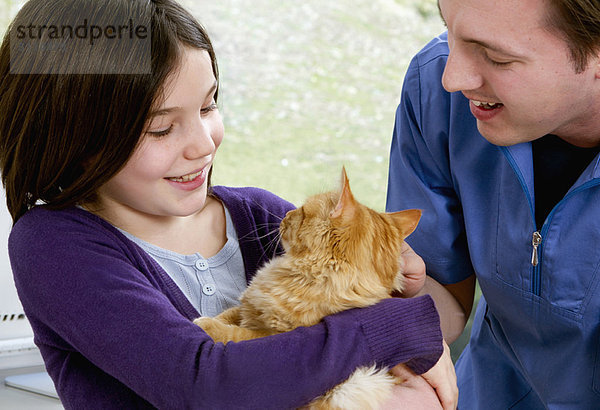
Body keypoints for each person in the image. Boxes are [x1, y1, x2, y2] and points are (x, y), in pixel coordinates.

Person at [0, 0, 457, 408]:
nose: (203, 144)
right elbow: (205, 384)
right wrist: (394, 329)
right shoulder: (53, 246)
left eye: (208, 106)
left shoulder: (260, 217)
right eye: (160, 128)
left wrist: (398, 291)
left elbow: (406, 337)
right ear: (73, 135)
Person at [386, 0, 600, 408]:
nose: (453, 78)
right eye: (450, 31)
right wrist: (399, 299)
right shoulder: (435, 89)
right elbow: (444, 302)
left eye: (496, 57)